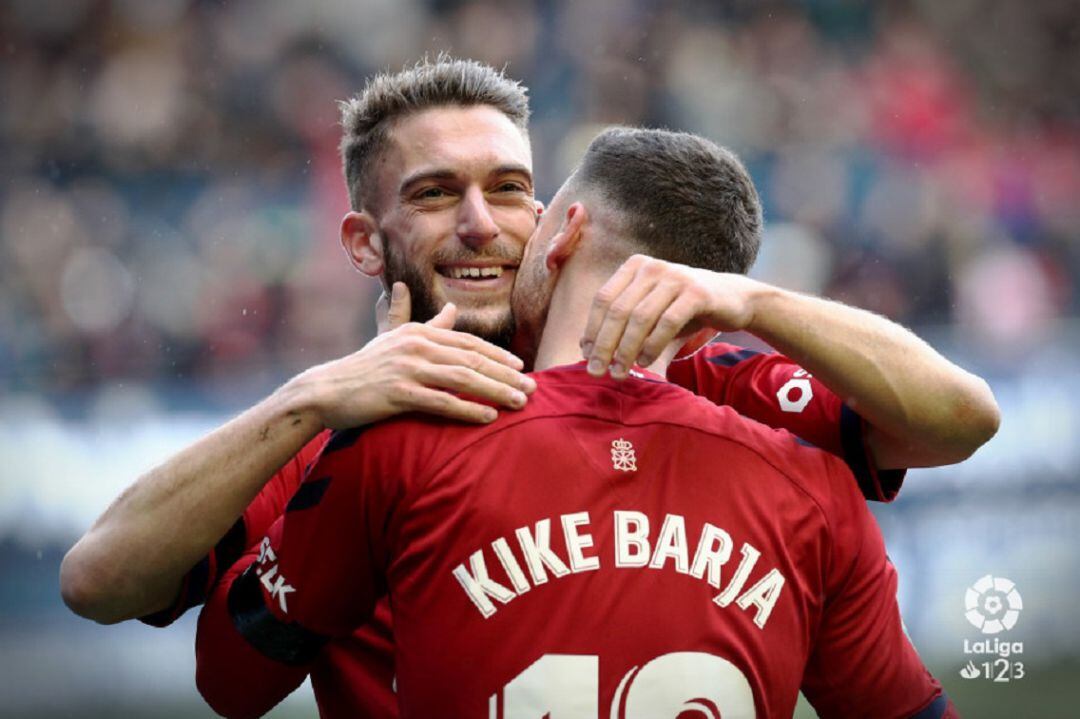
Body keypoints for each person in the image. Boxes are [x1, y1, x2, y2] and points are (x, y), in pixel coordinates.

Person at [61, 57, 995, 716]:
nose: (481, 225)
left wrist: (751, 298)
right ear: (360, 242)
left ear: (554, 222)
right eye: (434, 195)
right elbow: (100, 582)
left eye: (509, 189)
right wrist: (309, 399)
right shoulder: (330, 431)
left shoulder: (705, 373)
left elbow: (958, 420)